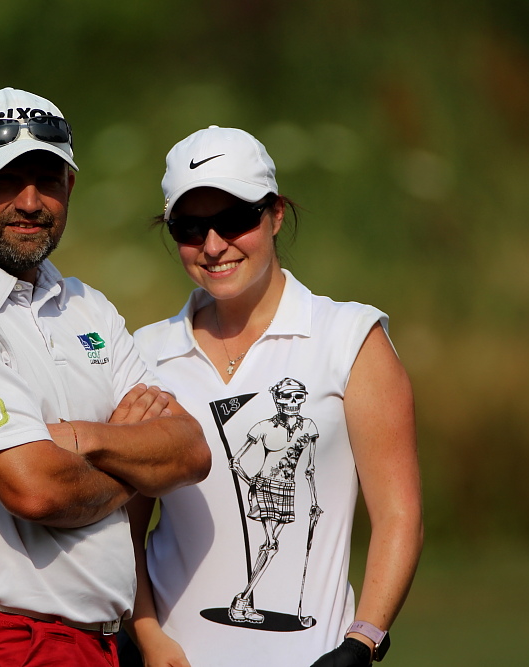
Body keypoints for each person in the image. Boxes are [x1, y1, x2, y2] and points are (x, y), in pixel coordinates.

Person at [0, 88, 210, 667]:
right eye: (4, 179)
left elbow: (190, 451)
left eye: (47, 180)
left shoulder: (86, 306)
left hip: (94, 646)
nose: (29, 202)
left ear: (69, 186)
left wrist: (81, 439)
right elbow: (36, 490)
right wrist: (136, 466)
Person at [126, 126, 423, 667]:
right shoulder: (144, 354)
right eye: (190, 228)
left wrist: (361, 641)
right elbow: (124, 528)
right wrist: (148, 637)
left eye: (235, 220)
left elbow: (399, 515)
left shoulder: (350, 338)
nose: (213, 246)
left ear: (276, 214)